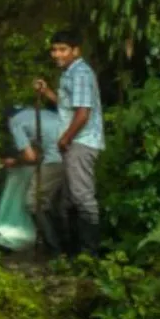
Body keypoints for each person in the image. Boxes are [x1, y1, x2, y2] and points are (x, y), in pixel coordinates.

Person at [34, 29, 104, 255]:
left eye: (62, 49)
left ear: (76, 51)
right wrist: (47, 93)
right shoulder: (69, 73)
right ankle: (73, 252)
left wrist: (65, 139)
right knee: (68, 200)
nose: (56, 54)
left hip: (81, 143)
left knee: (82, 198)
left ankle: (89, 254)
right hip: (74, 143)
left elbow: (83, 113)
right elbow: (68, 106)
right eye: (54, 50)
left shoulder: (80, 74)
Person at [0, 100, 66, 254]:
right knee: (59, 202)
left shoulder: (15, 122)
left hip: (55, 160)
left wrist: (15, 161)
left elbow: (30, 157)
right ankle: (67, 247)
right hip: (75, 153)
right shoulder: (40, 112)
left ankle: (53, 249)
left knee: (33, 202)